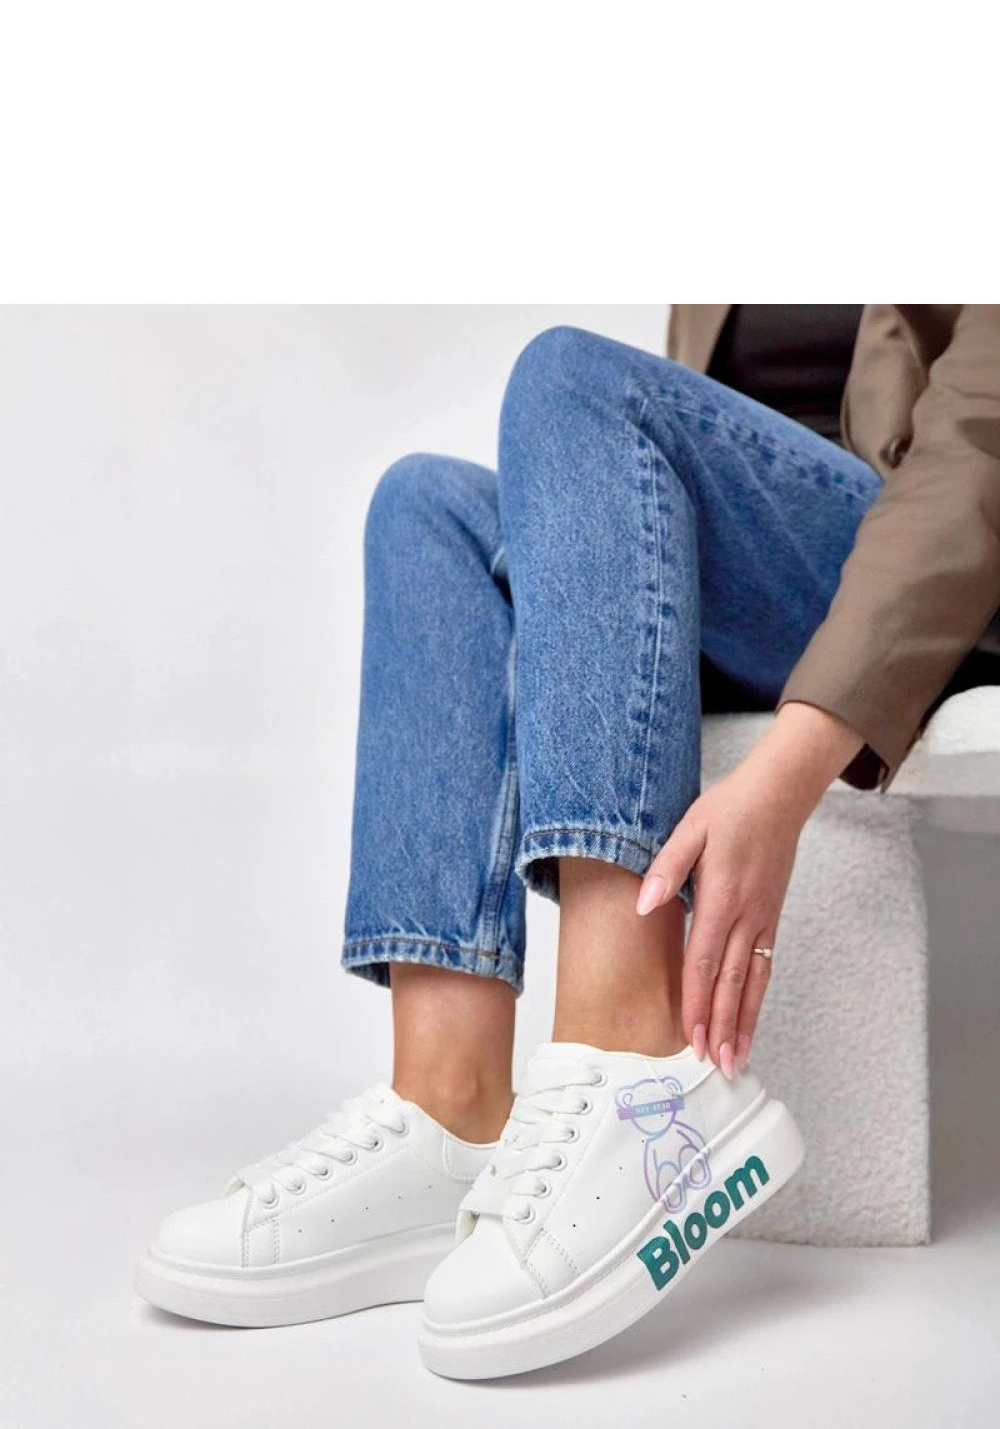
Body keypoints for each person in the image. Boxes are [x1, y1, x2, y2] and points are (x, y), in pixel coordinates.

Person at [135, 305, 1000, 1378]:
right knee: (430, 507)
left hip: (941, 568)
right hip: (761, 574)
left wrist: (789, 770)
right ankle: (448, 1112)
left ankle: (637, 1065)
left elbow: (977, 455)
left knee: (574, 379)